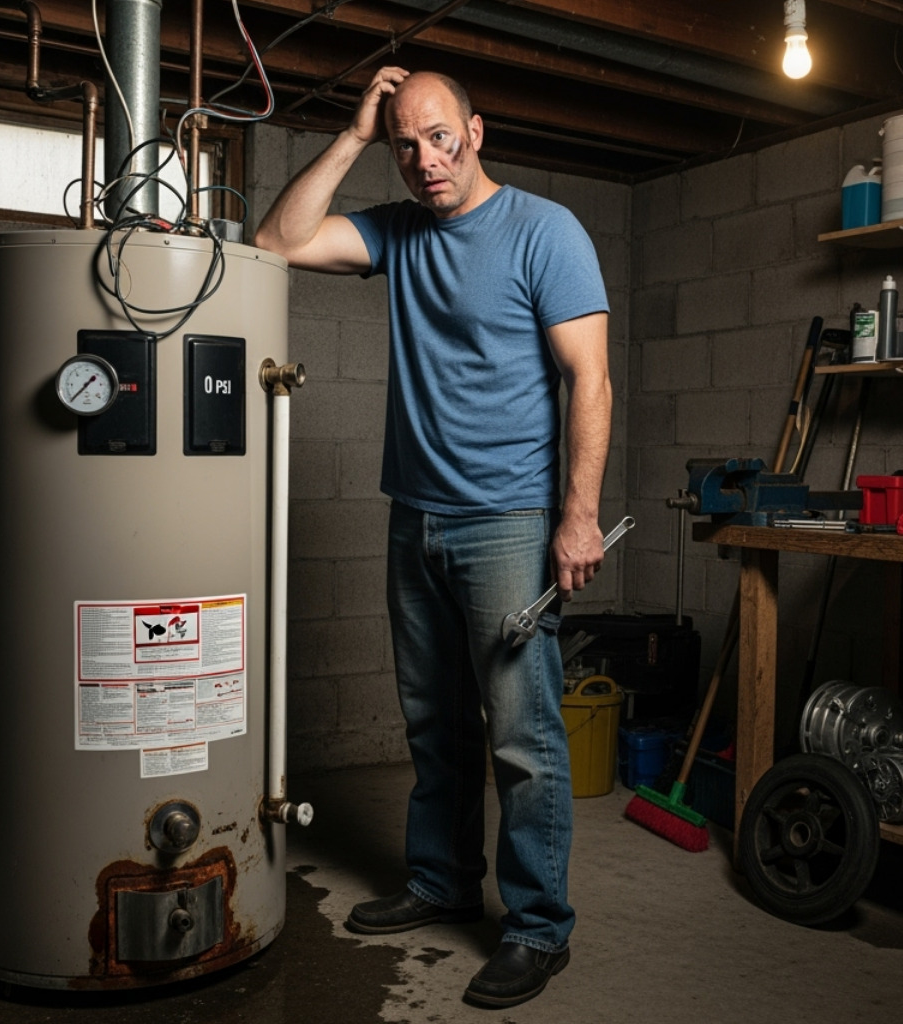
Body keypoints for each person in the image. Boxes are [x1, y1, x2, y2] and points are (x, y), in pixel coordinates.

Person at [253, 67, 611, 1009]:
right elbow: (277, 241)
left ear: (478, 131)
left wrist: (576, 516)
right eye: (406, 144)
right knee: (434, 724)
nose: (425, 160)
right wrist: (354, 133)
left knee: (523, 739)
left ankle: (538, 927)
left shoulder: (546, 231)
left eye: (440, 137)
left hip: (508, 522)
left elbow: (591, 381)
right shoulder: (399, 229)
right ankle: (441, 881)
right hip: (413, 514)